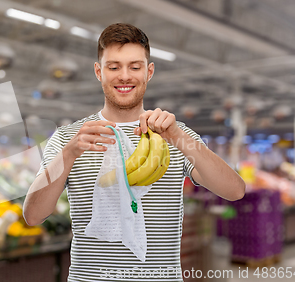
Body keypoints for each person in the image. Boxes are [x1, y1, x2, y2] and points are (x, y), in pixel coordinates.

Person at [23, 23, 245, 281]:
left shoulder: (175, 135)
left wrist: (179, 138)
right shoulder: (67, 138)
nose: (125, 76)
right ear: (99, 71)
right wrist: (69, 153)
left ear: (149, 71)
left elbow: (235, 191)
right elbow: (33, 216)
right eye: (114, 66)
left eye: (135, 67)